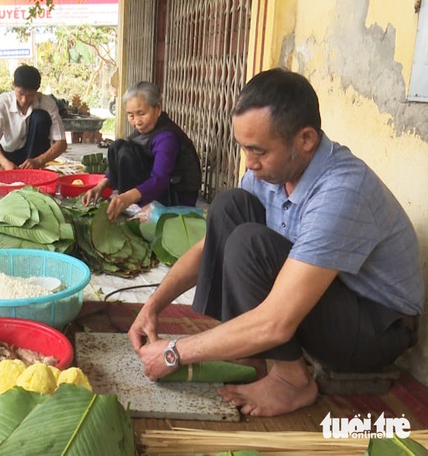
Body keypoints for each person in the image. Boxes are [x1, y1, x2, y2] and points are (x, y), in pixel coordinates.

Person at [127, 68, 423, 417]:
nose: (249, 164)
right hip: (324, 300)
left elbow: (278, 321)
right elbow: (208, 246)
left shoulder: (341, 190)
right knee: (229, 206)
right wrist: (153, 306)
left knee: (250, 244)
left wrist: (174, 352)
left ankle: (290, 380)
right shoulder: (271, 171)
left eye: (259, 151)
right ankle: (246, 345)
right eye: (244, 148)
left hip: (374, 329)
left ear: (306, 140)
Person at [82, 82, 201, 221]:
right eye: (131, 115)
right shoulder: (143, 133)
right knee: (117, 146)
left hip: (176, 197)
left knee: (127, 152)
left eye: (141, 114)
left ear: (158, 109)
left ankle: (134, 206)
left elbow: (160, 178)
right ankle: (129, 202)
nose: (137, 121)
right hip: (159, 189)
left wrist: (127, 197)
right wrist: (100, 186)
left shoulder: (167, 137)